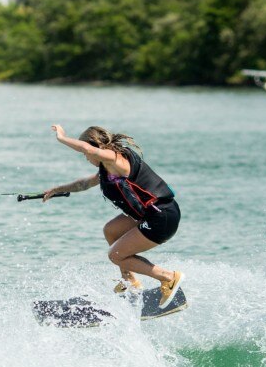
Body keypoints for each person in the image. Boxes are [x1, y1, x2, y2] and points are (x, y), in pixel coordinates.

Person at [42, 124, 184, 308]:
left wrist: (62, 138)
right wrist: (57, 190)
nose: (86, 157)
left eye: (86, 154)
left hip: (161, 217)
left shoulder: (115, 159)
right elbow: (84, 184)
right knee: (111, 230)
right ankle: (129, 281)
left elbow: (85, 147)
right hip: (152, 214)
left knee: (116, 255)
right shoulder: (107, 168)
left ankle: (168, 278)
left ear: (96, 148)